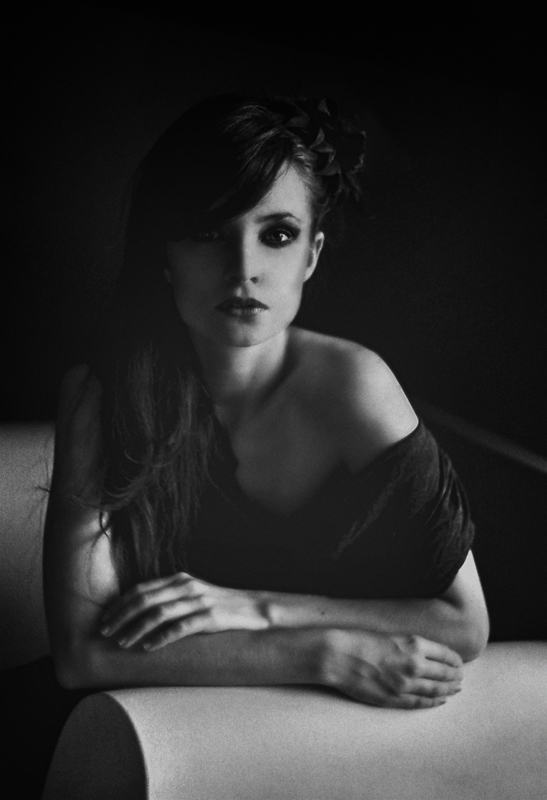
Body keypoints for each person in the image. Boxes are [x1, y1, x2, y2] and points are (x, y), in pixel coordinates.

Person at [25, 94, 488, 783]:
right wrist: (323, 652)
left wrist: (256, 609)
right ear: (164, 256)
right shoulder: (103, 393)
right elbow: (82, 656)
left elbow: (462, 624)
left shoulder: (352, 386)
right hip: (129, 736)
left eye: (277, 234)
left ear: (311, 255)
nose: (242, 267)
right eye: (208, 232)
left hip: (293, 749)